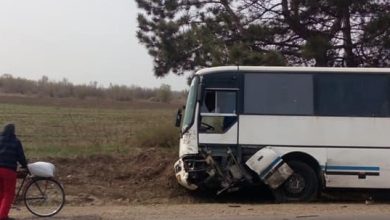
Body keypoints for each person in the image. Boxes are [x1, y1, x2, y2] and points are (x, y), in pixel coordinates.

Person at [0, 124, 27, 220]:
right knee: (8, 194)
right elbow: (21, 157)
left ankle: (1, 213)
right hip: (9, 171)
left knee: (1, 193)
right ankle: (3, 216)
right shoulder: (16, 142)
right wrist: (25, 166)